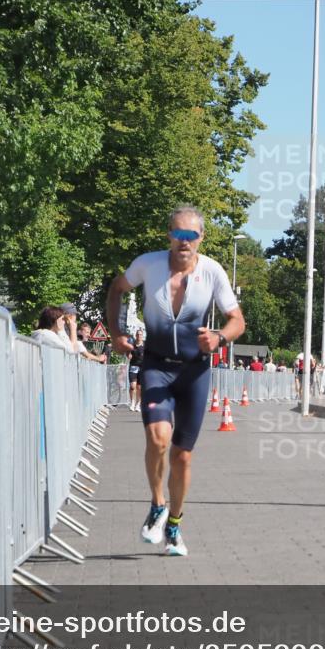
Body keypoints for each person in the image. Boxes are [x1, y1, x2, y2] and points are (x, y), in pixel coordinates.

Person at [106, 204, 244, 557]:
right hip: (156, 365)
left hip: (195, 371)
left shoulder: (212, 272)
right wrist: (116, 333)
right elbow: (117, 289)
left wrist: (219, 338)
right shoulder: (147, 264)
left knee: (183, 456)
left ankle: (175, 525)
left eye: (191, 235)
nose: (184, 242)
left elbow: (236, 320)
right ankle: (157, 504)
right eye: (178, 234)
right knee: (158, 437)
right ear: (169, 234)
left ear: (201, 238)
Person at [128, 329, 145, 411]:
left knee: (140, 388)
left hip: (142, 367)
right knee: (132, 386)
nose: (139, 336)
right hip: (133, 366)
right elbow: (128, 353)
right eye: (138, 334)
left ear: (142, 336)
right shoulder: (132, 345)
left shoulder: (145, 346)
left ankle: (138, 404)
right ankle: (132, 403)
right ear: (136, 336)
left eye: (140, 334)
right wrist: (128, 355)